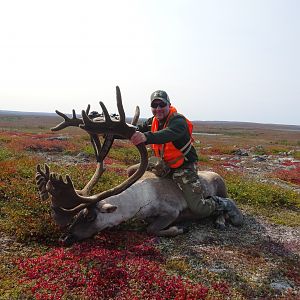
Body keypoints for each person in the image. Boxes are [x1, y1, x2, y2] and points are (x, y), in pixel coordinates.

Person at [130, 90, 243, 227]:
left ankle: (224, 203)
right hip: (165, 165)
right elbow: (133, 130)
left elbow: (169, 134)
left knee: (198, 208)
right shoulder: (152, 121)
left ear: (169, 105)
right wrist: (112, 132)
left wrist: (146, 137)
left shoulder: (178, 121)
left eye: (162, 105)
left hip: (184, 168)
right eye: (155, 105)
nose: (158, 109)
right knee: (131, 171)